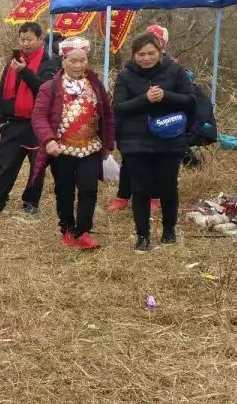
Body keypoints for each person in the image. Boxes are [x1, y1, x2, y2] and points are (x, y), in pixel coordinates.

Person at [112, 31, 195, 251]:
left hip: (169, 140)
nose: (146, 58)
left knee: (168, 187)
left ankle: (169, 230)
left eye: (151, 53)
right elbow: (118, 108)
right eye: (141, 54)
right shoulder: (125, 76)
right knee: (140, 189)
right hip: (135, 142)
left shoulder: (175, 71)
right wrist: (145, 99)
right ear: (133, 55)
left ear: (160, 52)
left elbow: (190, 100)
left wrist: (165, 96)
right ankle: (142, 235)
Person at [31, 36, 115, 250]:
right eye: (73, 61)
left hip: (90, 148)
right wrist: (48, 140)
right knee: (65, 190)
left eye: (83, 60)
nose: (79, 65)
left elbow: (107, 114)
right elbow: (39, 116)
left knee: (89, 189)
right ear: (63, 61)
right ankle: (67, 229)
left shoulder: (96, 86)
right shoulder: (50, 88)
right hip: (62, 150)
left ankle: (83, 231)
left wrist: (108, 142)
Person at [0, 21, 59, 216]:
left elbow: (44, 90)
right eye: (22, 39)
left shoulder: (49, 63)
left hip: (36, 124)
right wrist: (1, 120)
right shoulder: (13, 63)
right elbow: (0, 93)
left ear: (41, 39)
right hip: (12, 123)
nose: (25, 43)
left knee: (37, 167)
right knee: (6, 165)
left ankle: (31, 201)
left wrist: (24, 72)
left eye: (29, 39)